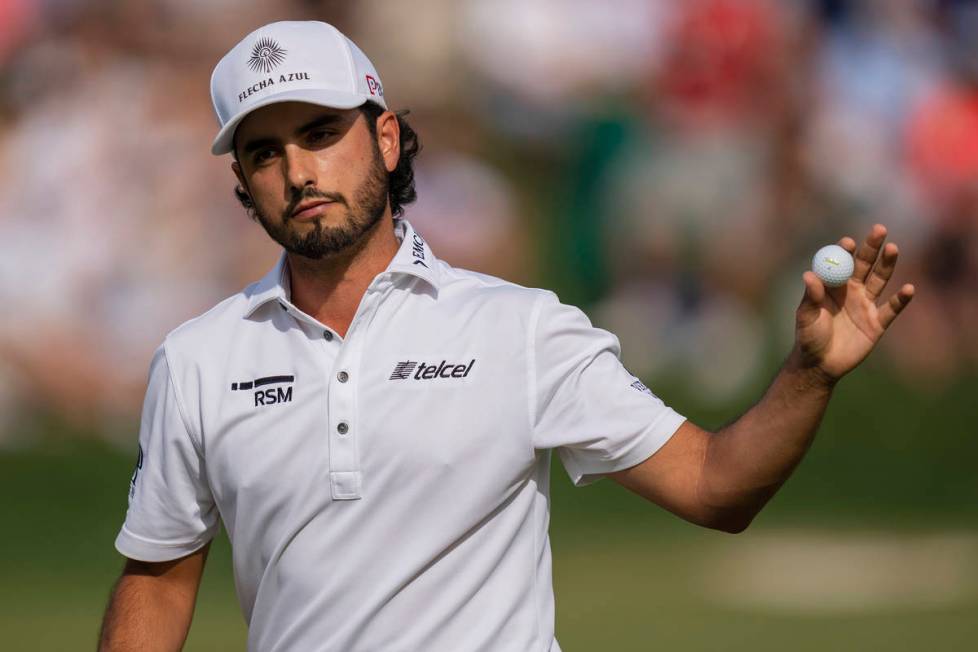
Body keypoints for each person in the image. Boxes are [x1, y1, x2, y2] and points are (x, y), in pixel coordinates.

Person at [97, 20, 915, 652]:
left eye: (320, 133)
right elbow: (160, 580)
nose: (299, 173)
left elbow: (715, 486)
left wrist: (809, 374)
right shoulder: (199, 359)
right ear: (243, 180)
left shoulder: (519, 327)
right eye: (265, 151)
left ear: (383, 137)